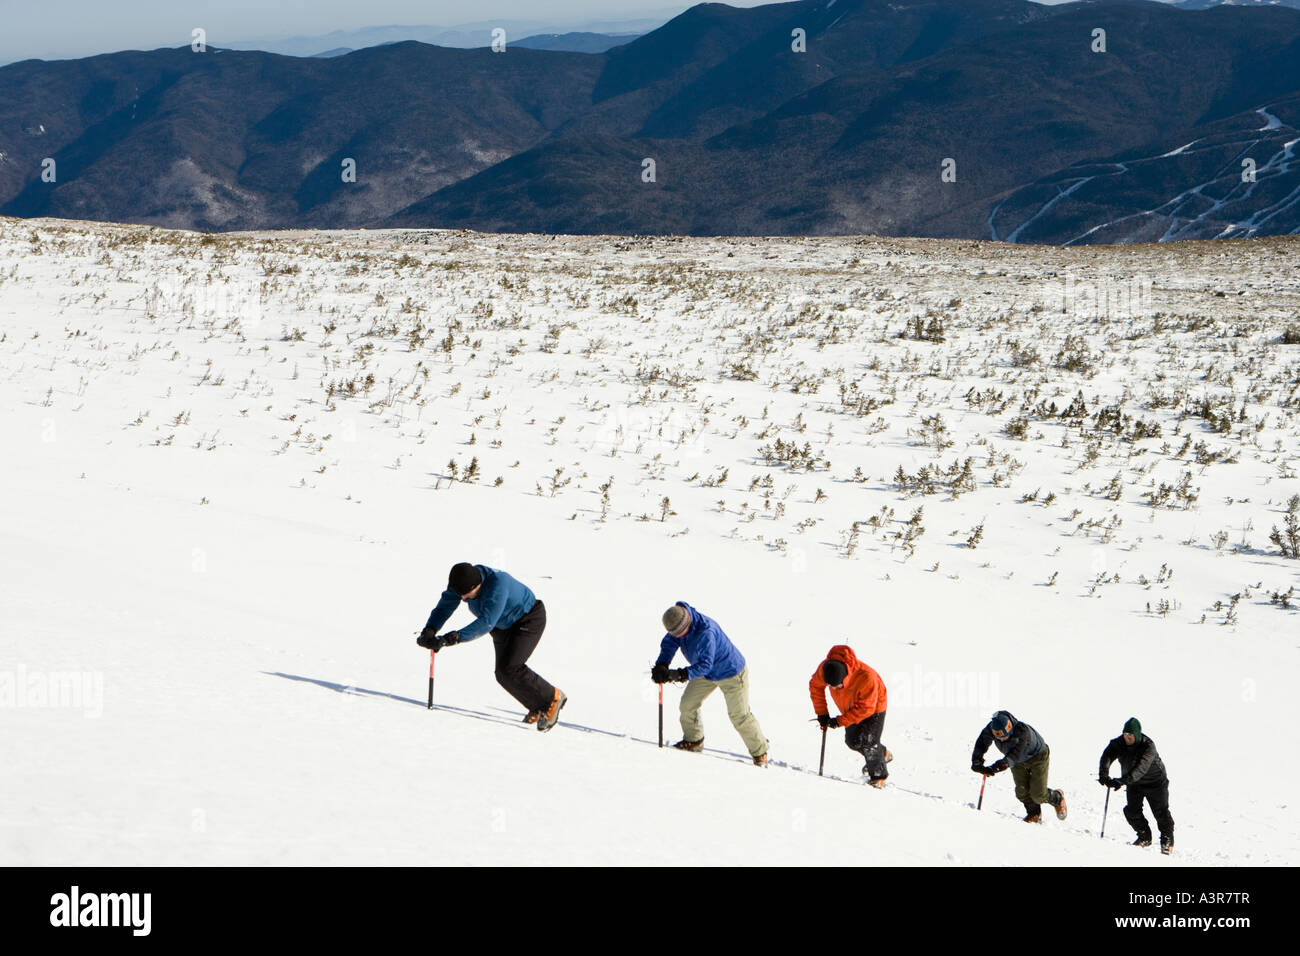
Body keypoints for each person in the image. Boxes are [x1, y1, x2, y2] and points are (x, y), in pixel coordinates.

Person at [417, 562, 566, 732]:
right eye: (461, 595)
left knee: (512, 667)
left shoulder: (498, 584)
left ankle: (552, 698)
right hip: (502, 626)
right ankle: (538, 706)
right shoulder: (462, 582)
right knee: (502, 673)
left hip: (528, 619)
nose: (464, 599)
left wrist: (453, 638)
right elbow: (445, 606)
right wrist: (430, 629)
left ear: (478, 585)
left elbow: (486, 622)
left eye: (467, 595)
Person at [652, 602, 769, 766]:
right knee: (687, 705)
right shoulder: (678, 622)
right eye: (675, 634)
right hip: (706, 674)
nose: (678, 637)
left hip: (731, 673)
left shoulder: (706, 632)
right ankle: (694, 741)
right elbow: (670, 643)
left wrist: (679, 674)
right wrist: (662, 665)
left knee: (739, 716)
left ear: (687, 624)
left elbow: (705, 664)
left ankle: (760, 752)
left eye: (680, 633)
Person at [809, 645, 892, 788]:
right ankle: (882, 754)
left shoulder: (866, 677)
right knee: (852, 741)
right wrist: (822, 713)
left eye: (838, 686)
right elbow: (815, 686)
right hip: (850, 706)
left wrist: (839, 721)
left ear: (846, 677)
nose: (834, 689)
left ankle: (878, 777)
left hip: (874, 706)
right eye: (831, 686)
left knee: (869, 742)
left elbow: (866, 708)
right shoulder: (825, 669)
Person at [972, 710, 1067, 823]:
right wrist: (977, 762)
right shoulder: (993, 728)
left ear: (1010, 729)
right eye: (997, 736)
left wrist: (995, 768)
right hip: (1018, 761)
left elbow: (1014, 756)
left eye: (1003, 736)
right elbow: (982, 742)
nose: (1000, 739)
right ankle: (1034, 813)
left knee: (1038, 795)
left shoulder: (1022, 731)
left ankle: (1057, 798)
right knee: (1021, 792)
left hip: (1037, 756)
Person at [1099, 717, 1174, 854]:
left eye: (1130, 735)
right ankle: (1144, 836)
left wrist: (1122, 781)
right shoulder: (1119, 743)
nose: (1127, 738)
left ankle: (1167, 841)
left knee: (1161, 813)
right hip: (1134, 783)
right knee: (1132, 811)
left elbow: (1141, 768)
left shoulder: (1148, 746)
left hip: (1155, 783)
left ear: (1137, 734)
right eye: (1125, 734)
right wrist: (1104, 775)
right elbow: (1107, 756)